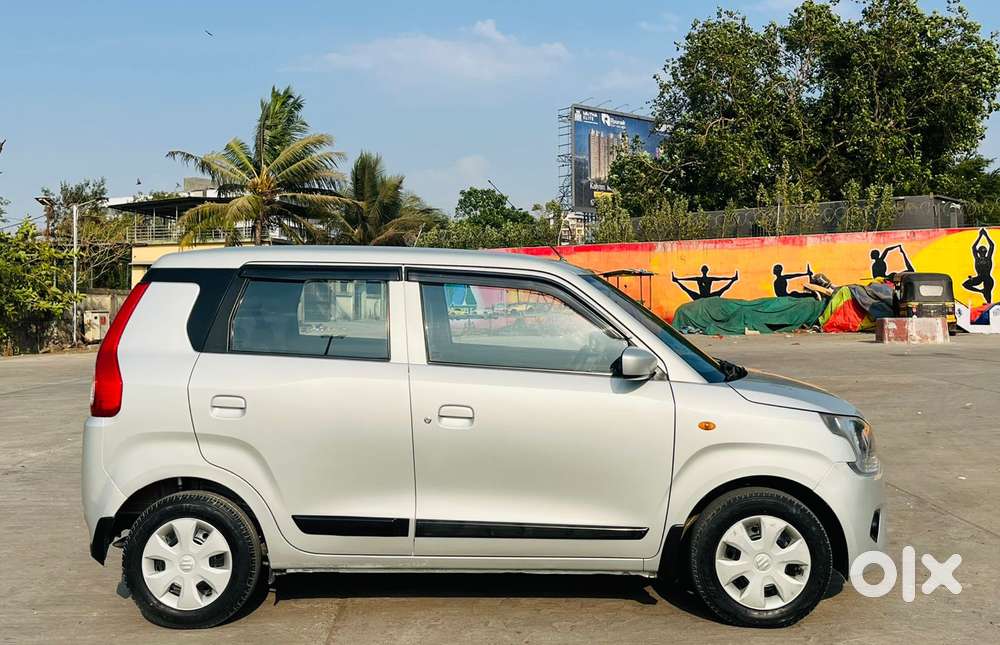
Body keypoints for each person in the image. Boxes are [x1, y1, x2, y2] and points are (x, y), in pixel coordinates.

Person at [962, 228, 995, 303]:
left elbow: (991, 246)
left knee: (988, 294)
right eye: (981, 252)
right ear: (979, 252)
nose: (982, 253)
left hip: (987, 277)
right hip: (980, 277)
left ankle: (987, 300)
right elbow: (973, 247)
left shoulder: (988, 258)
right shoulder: (977, 258)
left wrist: (985, 235)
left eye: (983, 251)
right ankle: (981, 291)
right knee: (965, 284)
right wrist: (980, 236)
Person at [672, 266, 739, 300]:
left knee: (722, 289)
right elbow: (688, 279)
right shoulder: (699, 279)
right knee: (687, 290)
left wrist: (731, 278)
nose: (704, 271)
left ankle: (733, 280)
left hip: (709, 296)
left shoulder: (709, 279)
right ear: (703, 271)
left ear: (706, 271)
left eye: (705, 270)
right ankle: (733, 280)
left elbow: (721, 278)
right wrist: (678, 279)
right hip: (700, 297)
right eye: (704, 270)